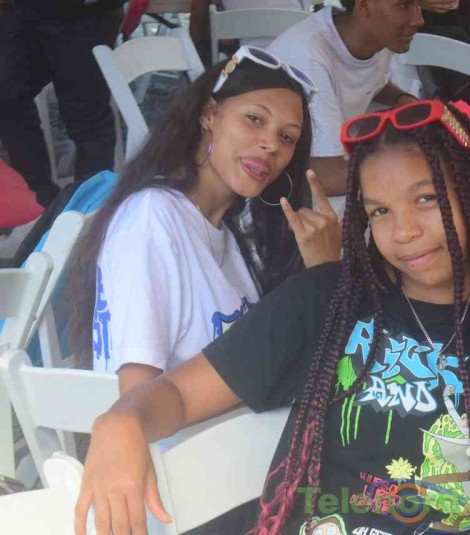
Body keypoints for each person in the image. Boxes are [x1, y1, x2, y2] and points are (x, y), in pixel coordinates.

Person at [74, 100, 470, 535]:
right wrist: (123, 420)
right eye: (379, 211)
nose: (403, 231)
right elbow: (177, 395)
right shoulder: (326, 301)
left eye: (426, 199)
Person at [65, 46, 342, 395]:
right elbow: (134, 397)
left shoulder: (232, 234)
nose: (271, 144)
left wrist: (322, 272)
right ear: (209, 114)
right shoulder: (152, 219)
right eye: (254, 119)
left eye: (286, 137)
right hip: (177, 432)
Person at [266, 0, 423, 216]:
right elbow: (326, 175)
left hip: (336, 172)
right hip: (291, 202)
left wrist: (401, 99)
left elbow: (371, 82)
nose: (419, 20)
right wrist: (420, 167)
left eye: (419, 5)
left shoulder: (375, 38)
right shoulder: (309, 56)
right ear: (364, 5)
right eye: (404, 6)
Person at [0, 0, 123, 207]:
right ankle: (39, 200)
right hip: (23, 9)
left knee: (86, 117)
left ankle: (86, 211)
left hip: (87, 13)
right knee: (7, 98)